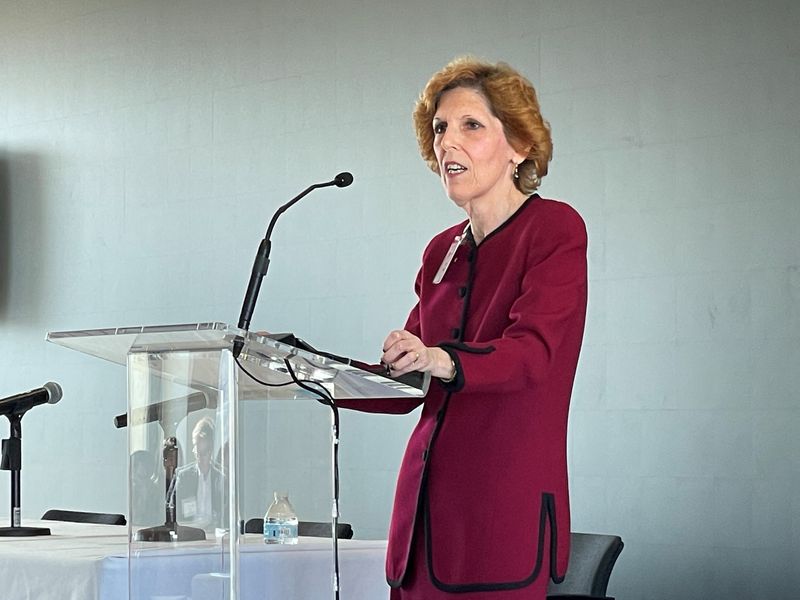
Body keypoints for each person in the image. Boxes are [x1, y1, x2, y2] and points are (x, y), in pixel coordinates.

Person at [338, 57, 588, 599]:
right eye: (440, 129)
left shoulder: (554, 229)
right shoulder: (440, 252)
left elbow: (531, 355)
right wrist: (302, 376)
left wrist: (439, 358)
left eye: (470, 125)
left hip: (500, 523)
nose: (449, 141)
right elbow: (404, 385)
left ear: (518, 143)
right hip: (422, 527)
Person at [170, 416, 227, 531]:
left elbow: (228, 514)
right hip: (190, 534)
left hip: (215, 534)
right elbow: (171, 509)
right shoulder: (183, 476)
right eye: (198, 452)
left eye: (204, 452)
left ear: (211, 451)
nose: (201, 458)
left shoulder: (222, 477)